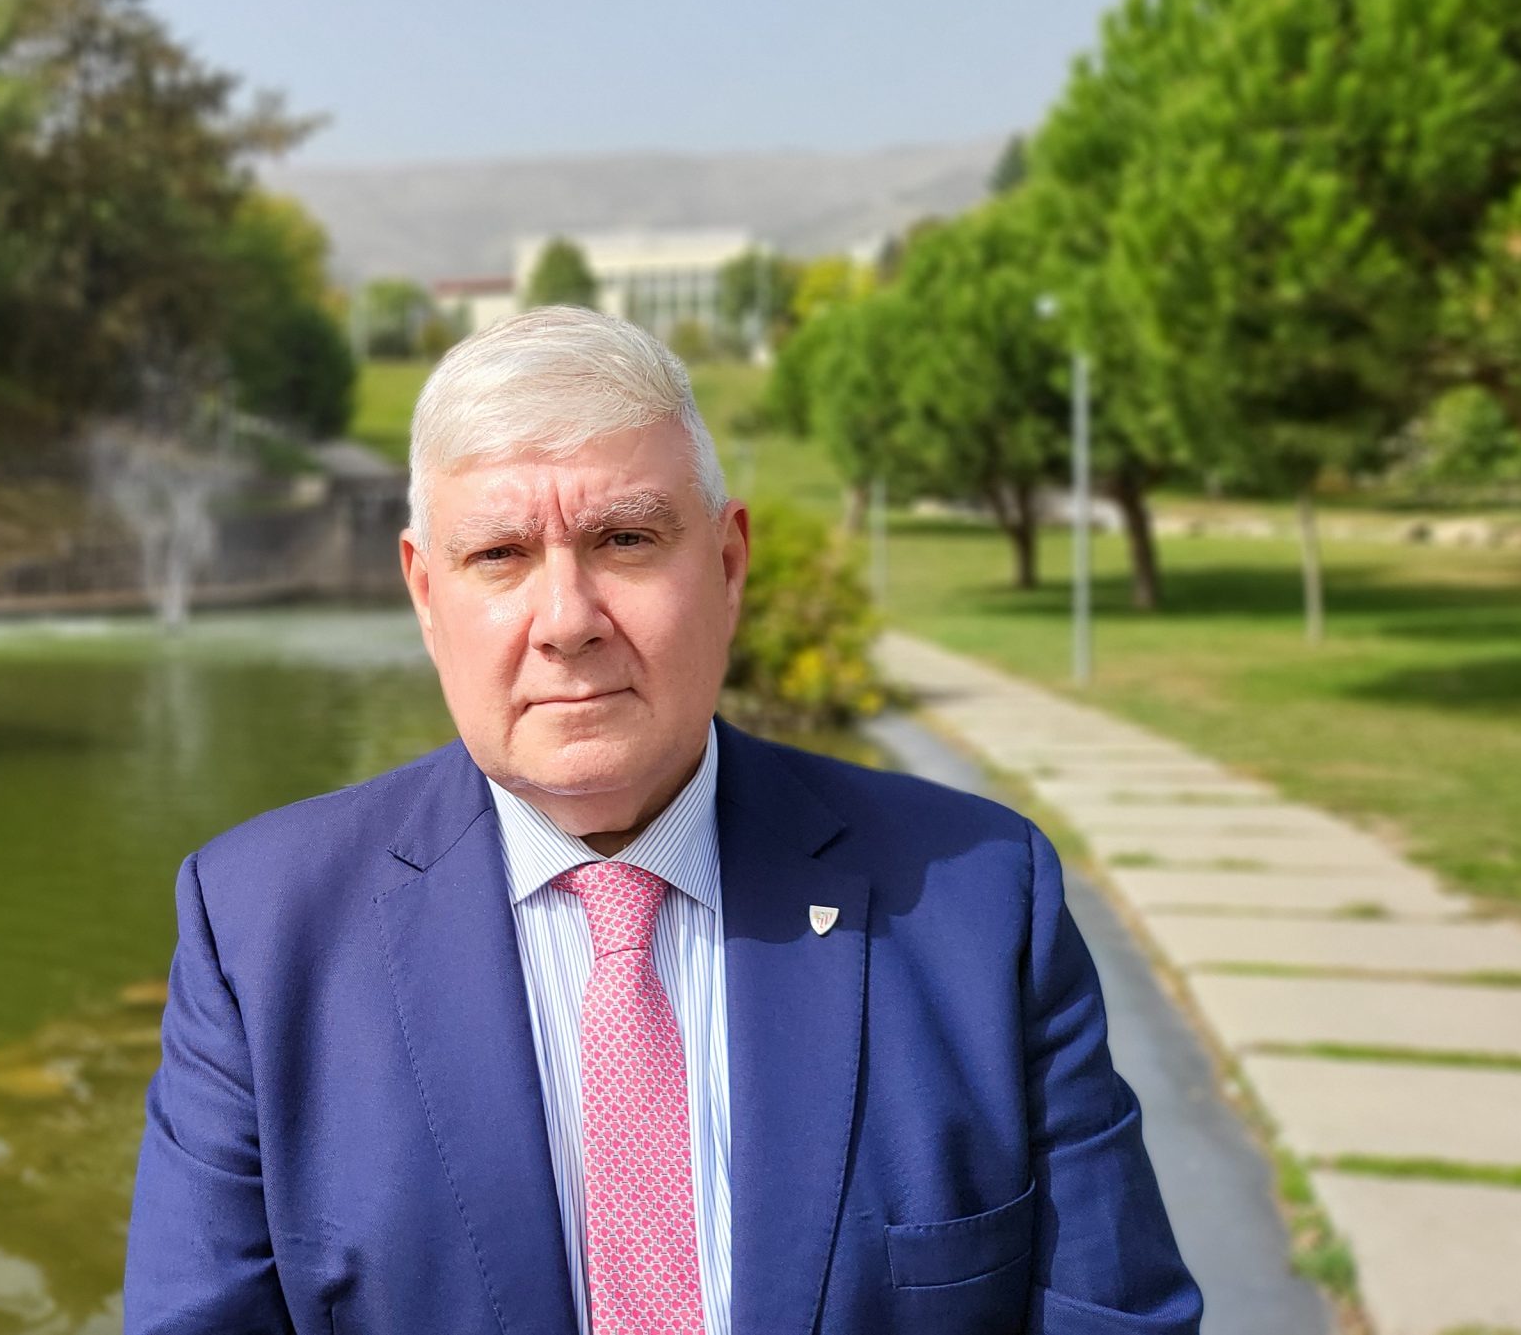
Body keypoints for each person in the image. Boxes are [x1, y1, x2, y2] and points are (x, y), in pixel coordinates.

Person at [121, 306, 1201, 1335]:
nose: (567, 621)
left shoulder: (977, 900)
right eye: (499, 555)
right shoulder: (260, 933)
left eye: (626, 538)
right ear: (425, 592)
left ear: (727, 565)